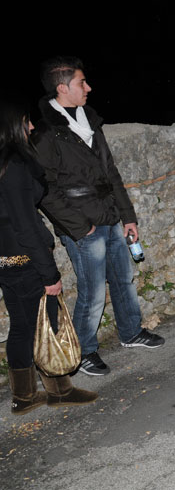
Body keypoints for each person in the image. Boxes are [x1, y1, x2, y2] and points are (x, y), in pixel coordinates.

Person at [33, 56, 165, 377]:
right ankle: (84, 351)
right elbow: (45, 189)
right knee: (92, 292)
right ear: (62, 88)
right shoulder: (47, 133)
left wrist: (127, 216)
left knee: (123, 279)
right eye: (82, 82)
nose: (88, 87)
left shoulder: (90, 119)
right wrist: (82, 228)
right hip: (83, 226)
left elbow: (111, 173)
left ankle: (131, 331)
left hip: (109, 216)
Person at [0, 98, 97, 413]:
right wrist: (50, 275)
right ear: (12, 126)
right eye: (26, 122)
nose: (31, 127)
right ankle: (58, 391)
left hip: (6, 261)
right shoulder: (14, 167)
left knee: (22, 326)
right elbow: (26, 226)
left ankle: (25, 397)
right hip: (26, 260)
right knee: (48, 323)